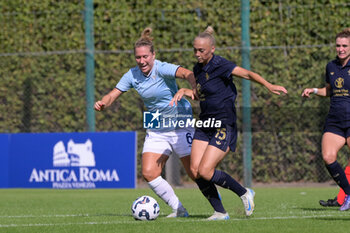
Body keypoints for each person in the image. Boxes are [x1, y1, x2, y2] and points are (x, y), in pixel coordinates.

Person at [170, 26, 288, 220]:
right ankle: (220, 212)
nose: (197, 54)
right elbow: (200, 95)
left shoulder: (221, 65)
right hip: (205, 124)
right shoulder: (198, 69)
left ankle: (244, 193)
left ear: (212, 49)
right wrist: (184, 91)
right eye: (195, 50)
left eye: (201, 50)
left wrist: (268, 85)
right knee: (194, 171)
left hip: (223, 124)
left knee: (206, 171)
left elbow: (248, 74)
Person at [94, 27, 198, 217]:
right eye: (138, 57)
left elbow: (188, 73)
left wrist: (194, 88)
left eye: (145, 57)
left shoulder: (162, 67)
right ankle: (179, 209)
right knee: (149, 172)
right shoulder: (132, 75)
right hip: (157, 123)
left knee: (196, 173)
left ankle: (226, 203)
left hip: (180, 121)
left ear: (153, 55)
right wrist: (103, 102)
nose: (141, 61)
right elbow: (113, 94)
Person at [302, 28, 350, 211]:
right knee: (328, 156)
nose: (341, 49)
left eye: (345, 45)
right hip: (335, 121)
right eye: (338, 45)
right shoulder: (331, 66)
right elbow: (330, 90)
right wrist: (314, 91)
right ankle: (348, 194)